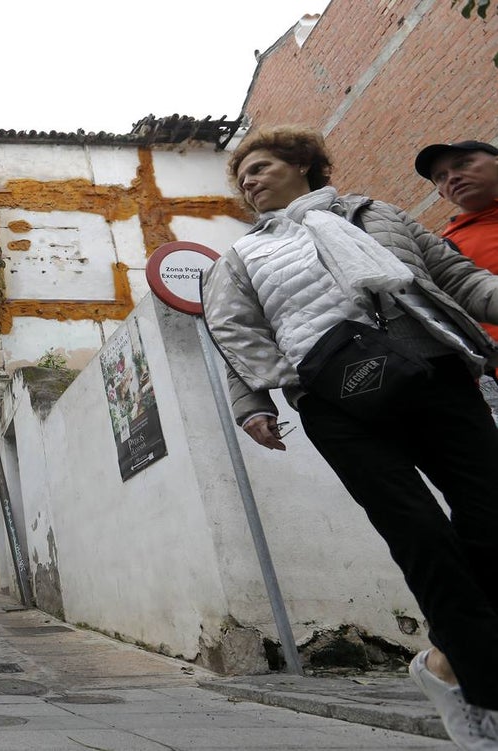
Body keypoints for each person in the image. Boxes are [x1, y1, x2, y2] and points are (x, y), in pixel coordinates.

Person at [201, 126, 498, 749]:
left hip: (434, 371)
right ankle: (487, 695)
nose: (249, 182)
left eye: (259, 167)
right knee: (419, 531)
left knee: (490, 515)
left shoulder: (374, 214)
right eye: (242, 178)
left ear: (302, 164)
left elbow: (455, 277)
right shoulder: (242, 257)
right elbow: (232, 333)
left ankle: (444, 662)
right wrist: (263, 396)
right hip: (338, 400)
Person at [414, 140, 498, 419]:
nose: (452, 177)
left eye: (463, 164)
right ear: (440, 193)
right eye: (441, 176)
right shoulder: (446, 252)